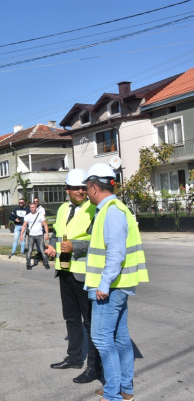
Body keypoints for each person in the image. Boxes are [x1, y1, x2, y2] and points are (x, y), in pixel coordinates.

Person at [83, 163, 148, 401]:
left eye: (86, 187)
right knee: (120, 339)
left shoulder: (110, 211)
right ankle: (124, 389)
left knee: (102, 339)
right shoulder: (116, 208)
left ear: (93, 186)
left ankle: (112, 395)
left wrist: (103, 284)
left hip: (110, 288)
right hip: (118, 286)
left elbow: (116, 253)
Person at [44, 169, 102, 384]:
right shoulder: (62, 209)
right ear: (66, 189)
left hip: (84, 273)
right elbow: (59, 234)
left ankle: (94, 367)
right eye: (76, 187)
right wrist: (52, 246)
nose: (80, 191)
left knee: (90, 322)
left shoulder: (94, 208)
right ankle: (74, 357)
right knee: (70, 317)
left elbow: (97, 241)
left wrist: (74, 246)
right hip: (65, 271)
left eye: (83, 187)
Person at [20, 202, 50, 270]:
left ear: (36, 208)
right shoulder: (28, 216)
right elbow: (24, 226)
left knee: (42, 250)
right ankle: (28, 264)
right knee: (29, 250)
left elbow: (45, 225)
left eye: (33, 207)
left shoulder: (40, 215)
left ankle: (46, 263)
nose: (32, 209)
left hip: (39, 235)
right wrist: (21, 234)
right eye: (30, 207)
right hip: (31, 235)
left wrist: (47, 234)